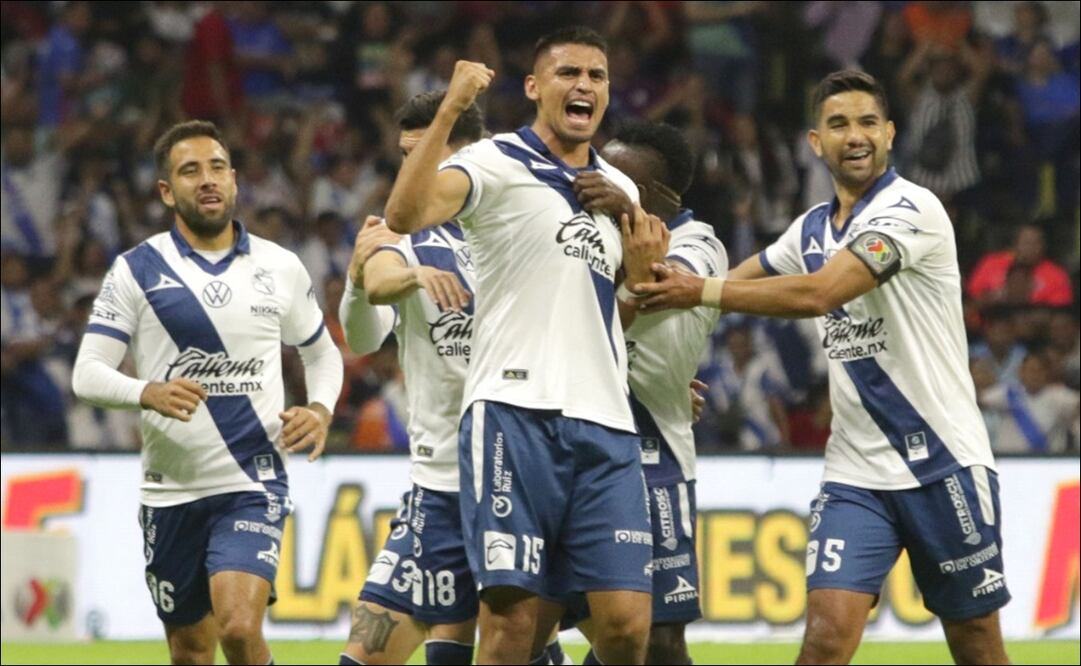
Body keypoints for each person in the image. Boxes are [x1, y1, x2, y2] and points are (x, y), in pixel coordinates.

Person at [633, 70, 1011, 665]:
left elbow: (816, 294)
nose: (854, 135)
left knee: (976, 644)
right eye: (838, 124)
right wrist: (666, 366)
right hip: (856, 474)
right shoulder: (810, 229)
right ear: (816, 142)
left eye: (867, 123)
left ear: (889, 134)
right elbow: (725, 287)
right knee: (824, 642)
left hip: (942, 462)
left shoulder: (912, 210)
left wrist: (696, 290)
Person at [383, 26, 667, 665]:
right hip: (514, 413)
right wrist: (452, 108)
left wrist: (647, 260)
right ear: (535, 88)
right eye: (569, 73)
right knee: (512, 628)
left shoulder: (622, 191)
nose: (584, 86)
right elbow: (403, 216)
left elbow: (631, 297)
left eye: (597, 76)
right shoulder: (495, 161)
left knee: (625, 627)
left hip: (606, 422)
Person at [71, 120, 343, 665]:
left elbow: (321, 352)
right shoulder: (136, 270)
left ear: (235, 180)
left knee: (239, 628)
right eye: (190, 171)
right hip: (170, 491)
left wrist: (320, 407)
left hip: (252, 481)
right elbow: (87, 373)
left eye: (217, 167)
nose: (208, 180)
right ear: (167, 192)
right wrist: (147, 392)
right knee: (191, 652)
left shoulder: (279, 266)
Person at [552, 120, 727, 664]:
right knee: (531, 620)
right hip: (564, 444)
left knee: (657, 638)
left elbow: (658, 283)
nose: (592, 181)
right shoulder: (589, 243)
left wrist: (625, 209)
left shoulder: (701, 244)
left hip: (651, 452)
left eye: (612, 175)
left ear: (647, 195)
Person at [336, 90, 483, 666]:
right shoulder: (399, 231)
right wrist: (359, 279)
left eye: (420, 155)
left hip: (519, 473)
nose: (408, 171)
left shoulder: (516, 225)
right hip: (439, 480)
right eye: (403, 156)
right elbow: (365, 335)